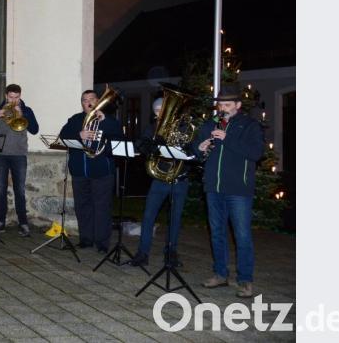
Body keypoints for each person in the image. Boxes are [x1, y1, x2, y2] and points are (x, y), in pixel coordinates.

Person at [192, 84, 264, 298]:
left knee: (241, 235)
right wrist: (200, 148)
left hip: (238, 189)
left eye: (227, 104)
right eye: (220, 104)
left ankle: (245, 280)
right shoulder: (210, 124)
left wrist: (227, 139)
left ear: (238, 105)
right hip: (214, 187)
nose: (222, 108)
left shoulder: (249, 125)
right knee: (217, 233)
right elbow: (196, 151)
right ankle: (220, 274)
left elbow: (256, 153)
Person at [58, 89, 122, 253]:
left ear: (99, 100)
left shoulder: (110, 120)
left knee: (102, 207)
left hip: (102, 171)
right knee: (82, 206)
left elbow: (119, 138)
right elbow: (63, 135)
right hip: (80, 171)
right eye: (84, 100)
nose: (88, 102)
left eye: (91, 99)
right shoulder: (76, 119)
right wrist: (79, 134)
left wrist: (105, 120)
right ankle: (86, 239)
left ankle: (102, 243)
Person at [129, 97, 189, 268]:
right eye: (157, 112)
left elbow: (191, 149)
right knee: (148, 216)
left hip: (179, 179)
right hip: (159, 179)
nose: (160, 115)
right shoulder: (152, 128)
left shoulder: (182, 127)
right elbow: (140, 144)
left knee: (175, 218)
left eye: (163, 111)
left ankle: (171, 253)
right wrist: (153, 145)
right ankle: (142, 253)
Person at [0, 84, 39, 237]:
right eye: (11, 97)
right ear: (6, 96)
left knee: (19, 190)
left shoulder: (27, 110)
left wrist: (23, 115)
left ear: (20, 96)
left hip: (19, 155)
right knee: (1, 190)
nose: (14, 101)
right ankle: (0, 222)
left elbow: (35, 130)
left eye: (17, 97)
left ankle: (23, 223)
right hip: (0, 155)